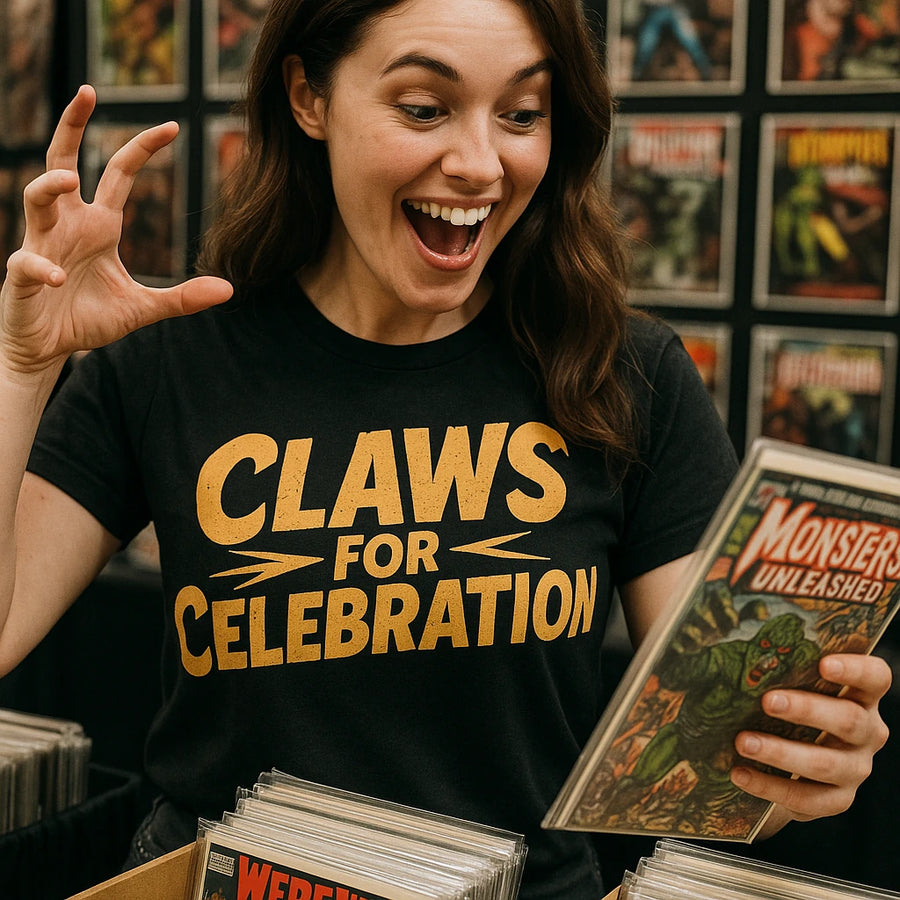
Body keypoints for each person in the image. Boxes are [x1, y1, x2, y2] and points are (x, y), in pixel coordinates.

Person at [0, 0, 891, 897]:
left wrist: (797, 769)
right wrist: (21, 366)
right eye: (424, 108)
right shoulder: (170, 361)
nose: (477, 164)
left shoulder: (627, 372)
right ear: (309, 97)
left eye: (522, 115)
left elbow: (710, 771)